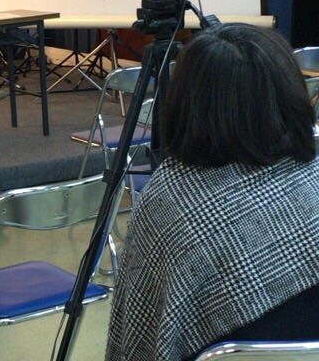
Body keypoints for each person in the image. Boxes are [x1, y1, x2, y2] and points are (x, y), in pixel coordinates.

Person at [105, 23, 319, 361]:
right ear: (290, 92)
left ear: (187, 101)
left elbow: (140, 337)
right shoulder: (312, 179)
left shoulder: (169, 202)